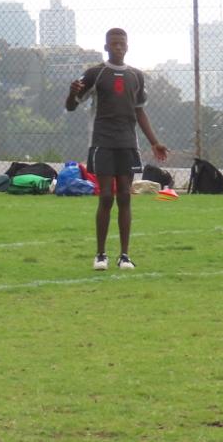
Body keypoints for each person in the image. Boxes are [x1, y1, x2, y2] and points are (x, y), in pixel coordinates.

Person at [65, 28, 169, 272]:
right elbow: (71, 106)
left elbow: (139, 111)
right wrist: (71, 93)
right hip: (102, 141)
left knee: (124, 196)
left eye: (122, 43)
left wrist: (154, 142)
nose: (118, 47)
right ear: (106, 47)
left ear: (127, 46)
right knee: (105, 196)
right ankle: (100, 255)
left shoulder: (136, 76)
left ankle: (124, 256)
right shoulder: (95, 73)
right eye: (113, 43)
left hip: (127, 143)